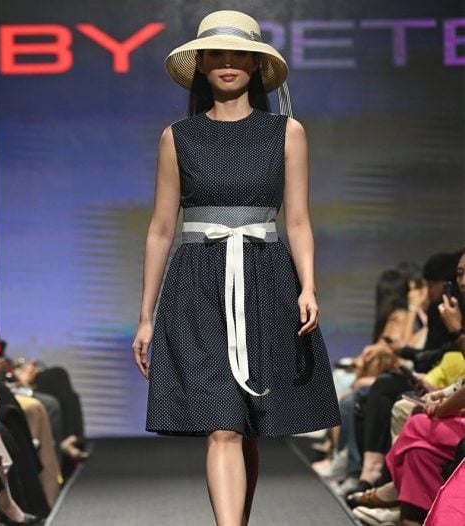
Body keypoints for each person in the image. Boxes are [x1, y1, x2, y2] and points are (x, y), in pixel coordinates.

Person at [130, 10, 340, 525]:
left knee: (246, 424)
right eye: (217, 54)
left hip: (266, 280)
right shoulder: (177, 137)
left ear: (257, 64)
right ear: (201, 64)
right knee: (222, 423)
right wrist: (145, 316)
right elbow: (160, 229)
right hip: (197, 285)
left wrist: (309, 287)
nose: (228, 63)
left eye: (239, 54)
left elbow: (298, 220)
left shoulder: (287, 133)